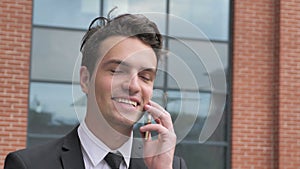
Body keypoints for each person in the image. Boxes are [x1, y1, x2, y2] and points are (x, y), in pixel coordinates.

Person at [4, 12, 187, 169]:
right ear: (85, 80)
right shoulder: (28, 165)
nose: (133, 85)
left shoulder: (169, 165)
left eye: (145, 77)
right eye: (117, 71)